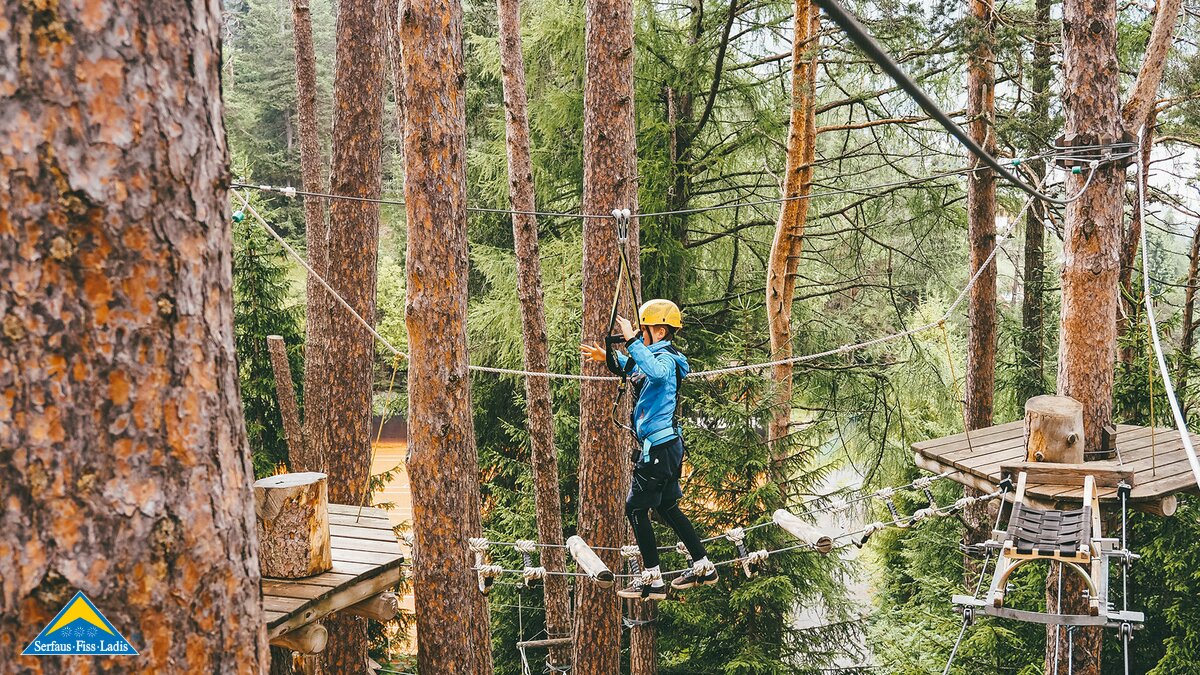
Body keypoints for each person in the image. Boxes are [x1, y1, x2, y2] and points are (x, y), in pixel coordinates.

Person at [580, 299, 716, 601]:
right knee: (667, 507)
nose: (640, 335)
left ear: (658, 329)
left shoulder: (666, 357)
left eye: (644, 330)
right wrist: (609, 356)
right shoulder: (652, 355)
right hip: (664, 448)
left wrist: (630, 339)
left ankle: (652, 578)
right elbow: (636, 368)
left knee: (636, 509)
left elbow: (655, 372)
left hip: (659, 448)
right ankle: (703, 564)